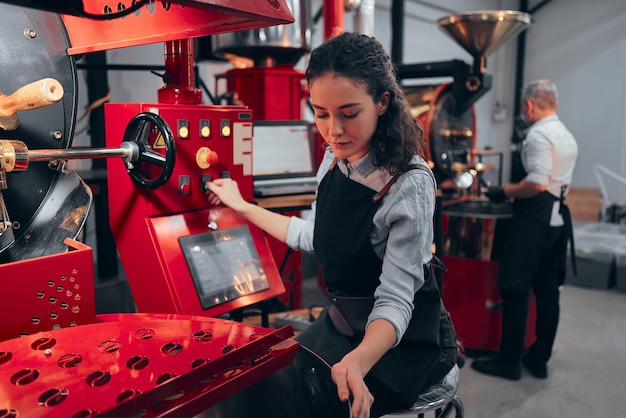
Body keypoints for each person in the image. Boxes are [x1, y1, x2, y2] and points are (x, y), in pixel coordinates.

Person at [206, 32, 458, 418]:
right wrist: (242, 206)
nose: (333, 130)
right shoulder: (334, 159)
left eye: (349, 113)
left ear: (382, 102)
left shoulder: (407, 181)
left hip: (401, 341)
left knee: (314, 402)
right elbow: (313, 235)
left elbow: (395, 299)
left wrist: (358, 360)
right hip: (344, 325)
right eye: (321, 113)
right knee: (257, 382)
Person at [473, 79, 578, 381]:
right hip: (557, 221)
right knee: (547, 290)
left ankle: (508, 361)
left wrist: (502, 191)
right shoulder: (565, 135)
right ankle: (539, 358)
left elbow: (536, 183)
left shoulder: (538, 135)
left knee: (513, 287)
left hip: (534, 221)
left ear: (529, 105)